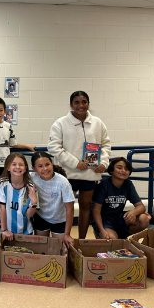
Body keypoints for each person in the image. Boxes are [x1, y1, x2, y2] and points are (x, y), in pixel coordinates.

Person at [48, 90, 111, 239]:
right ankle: (65, 237)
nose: (80, 105)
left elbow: (106, 145)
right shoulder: (61, 123)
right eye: (76, 102)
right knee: (65, 208)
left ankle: (81, 241)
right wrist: (75, 163)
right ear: (71, 105)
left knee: (85, 207)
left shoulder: (97, 123)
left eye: (84, 102)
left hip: (90, 174)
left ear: (88, 103)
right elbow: (53, 147)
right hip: (68, 174)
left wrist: (103, 162)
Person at [92, 157, 150, 239]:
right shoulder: (104, 185)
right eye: (119, 168)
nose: (123, 170)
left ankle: (124, 238)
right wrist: (101, 230)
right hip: (104, 219)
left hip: (119, 218)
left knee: (143, 219)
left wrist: (133, 212)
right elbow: (96, 210)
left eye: (126, 169)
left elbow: (141, 206)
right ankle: (100, 234)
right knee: (111, 238)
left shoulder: (128, 184)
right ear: (111, 170)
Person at [29, 152, 74, 246]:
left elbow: (70, 209)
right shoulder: (31, 178)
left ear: (52, 164)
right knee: (41, 247)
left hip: (59, 220)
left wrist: (67, 234)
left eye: (47, 164)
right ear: (34, 169)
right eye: (40, 166)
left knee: (61, 249)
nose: (45, 169)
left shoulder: (63, 182)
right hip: (41, 217)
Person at [0, 152, 38, 239]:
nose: (18, 167)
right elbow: (2, 208)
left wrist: (34, 202)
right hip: (7, 230)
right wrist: (4, 230)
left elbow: (29, 215)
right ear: (8, 168)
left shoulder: (31, 187)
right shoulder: (2, 183)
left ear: (25, 168)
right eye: (14, 164)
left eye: (21, 165)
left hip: (26, 231)